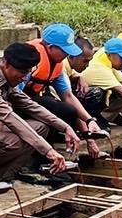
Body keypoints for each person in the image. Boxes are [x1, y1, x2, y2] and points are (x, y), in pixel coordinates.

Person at [0, 43, 79, 177]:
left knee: (41, 127)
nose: (25, 78)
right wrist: (48, 151)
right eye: (23, 72)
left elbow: (30, 105)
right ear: (6, 64)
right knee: (16, 141)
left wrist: (65, 127)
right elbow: (10, 118)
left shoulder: (7, 80)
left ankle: (7, 175)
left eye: (28, 72)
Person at [23, 24, 106, 155]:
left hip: (34, 99)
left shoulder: (57, 64)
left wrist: (90, 121)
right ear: (51, 48)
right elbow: (14, 93)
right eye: (65, 50)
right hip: (18, 100)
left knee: (68, 110)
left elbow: (67, 96)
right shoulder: (31, 58)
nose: (67, 54)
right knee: (50, 105)